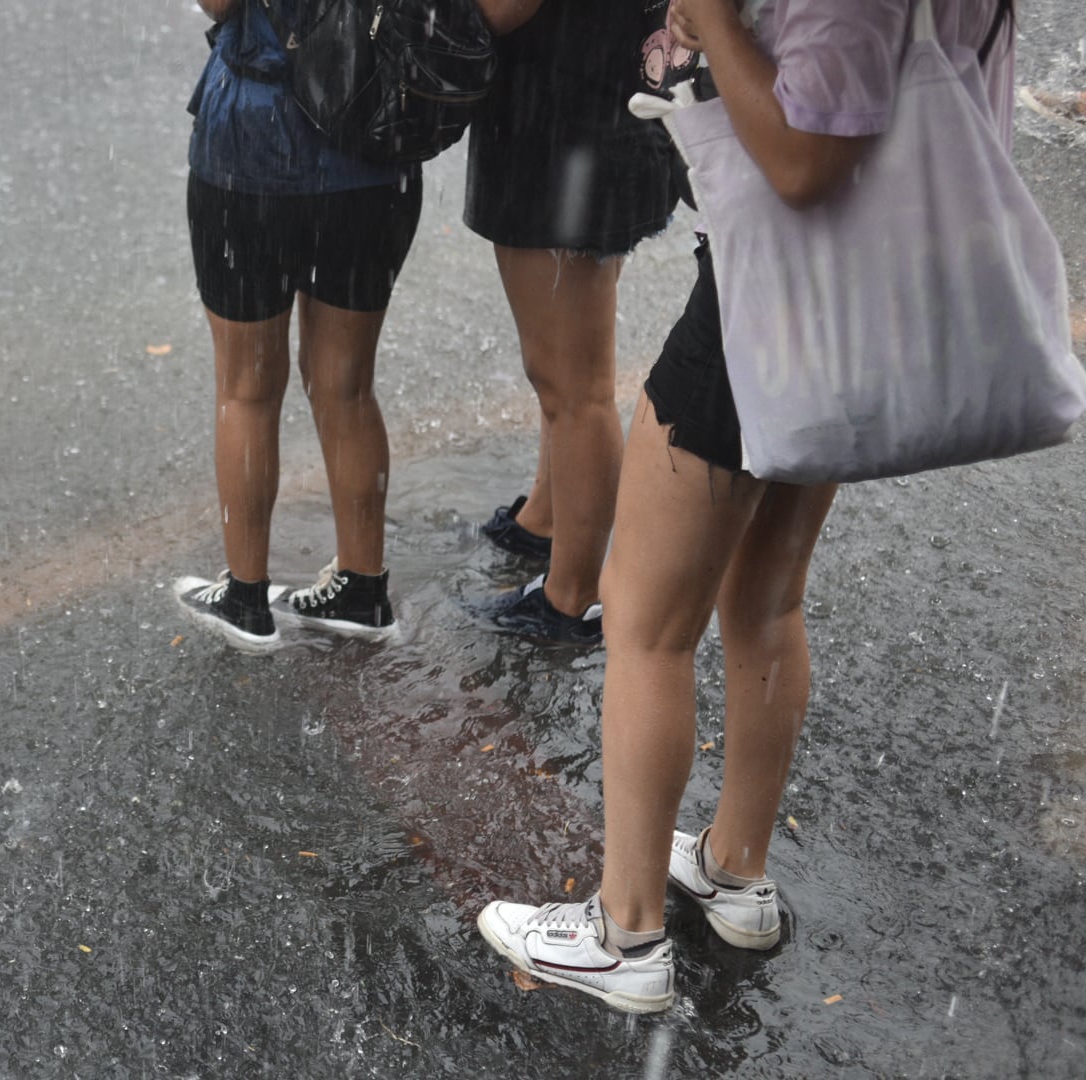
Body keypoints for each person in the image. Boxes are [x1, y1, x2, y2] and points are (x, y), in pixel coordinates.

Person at [476, 0, 1021, 1012]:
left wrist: (715, 19)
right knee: (766, 598)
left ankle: (625, 932)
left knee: (644, 619)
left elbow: (809, 159)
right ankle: (734, 871)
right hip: (873, 289)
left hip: (775, 294)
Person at [173, 0, 423, 652]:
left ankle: (246, 598)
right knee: (346, 385)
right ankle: (363, 588)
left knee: (246, 387)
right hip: (371, 142)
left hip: (253, 144)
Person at [462, 0, 695, 646]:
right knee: (568, 368)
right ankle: (546, 519)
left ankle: (572, 597)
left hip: (565, 127)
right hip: (606, 105)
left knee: (574, 386)